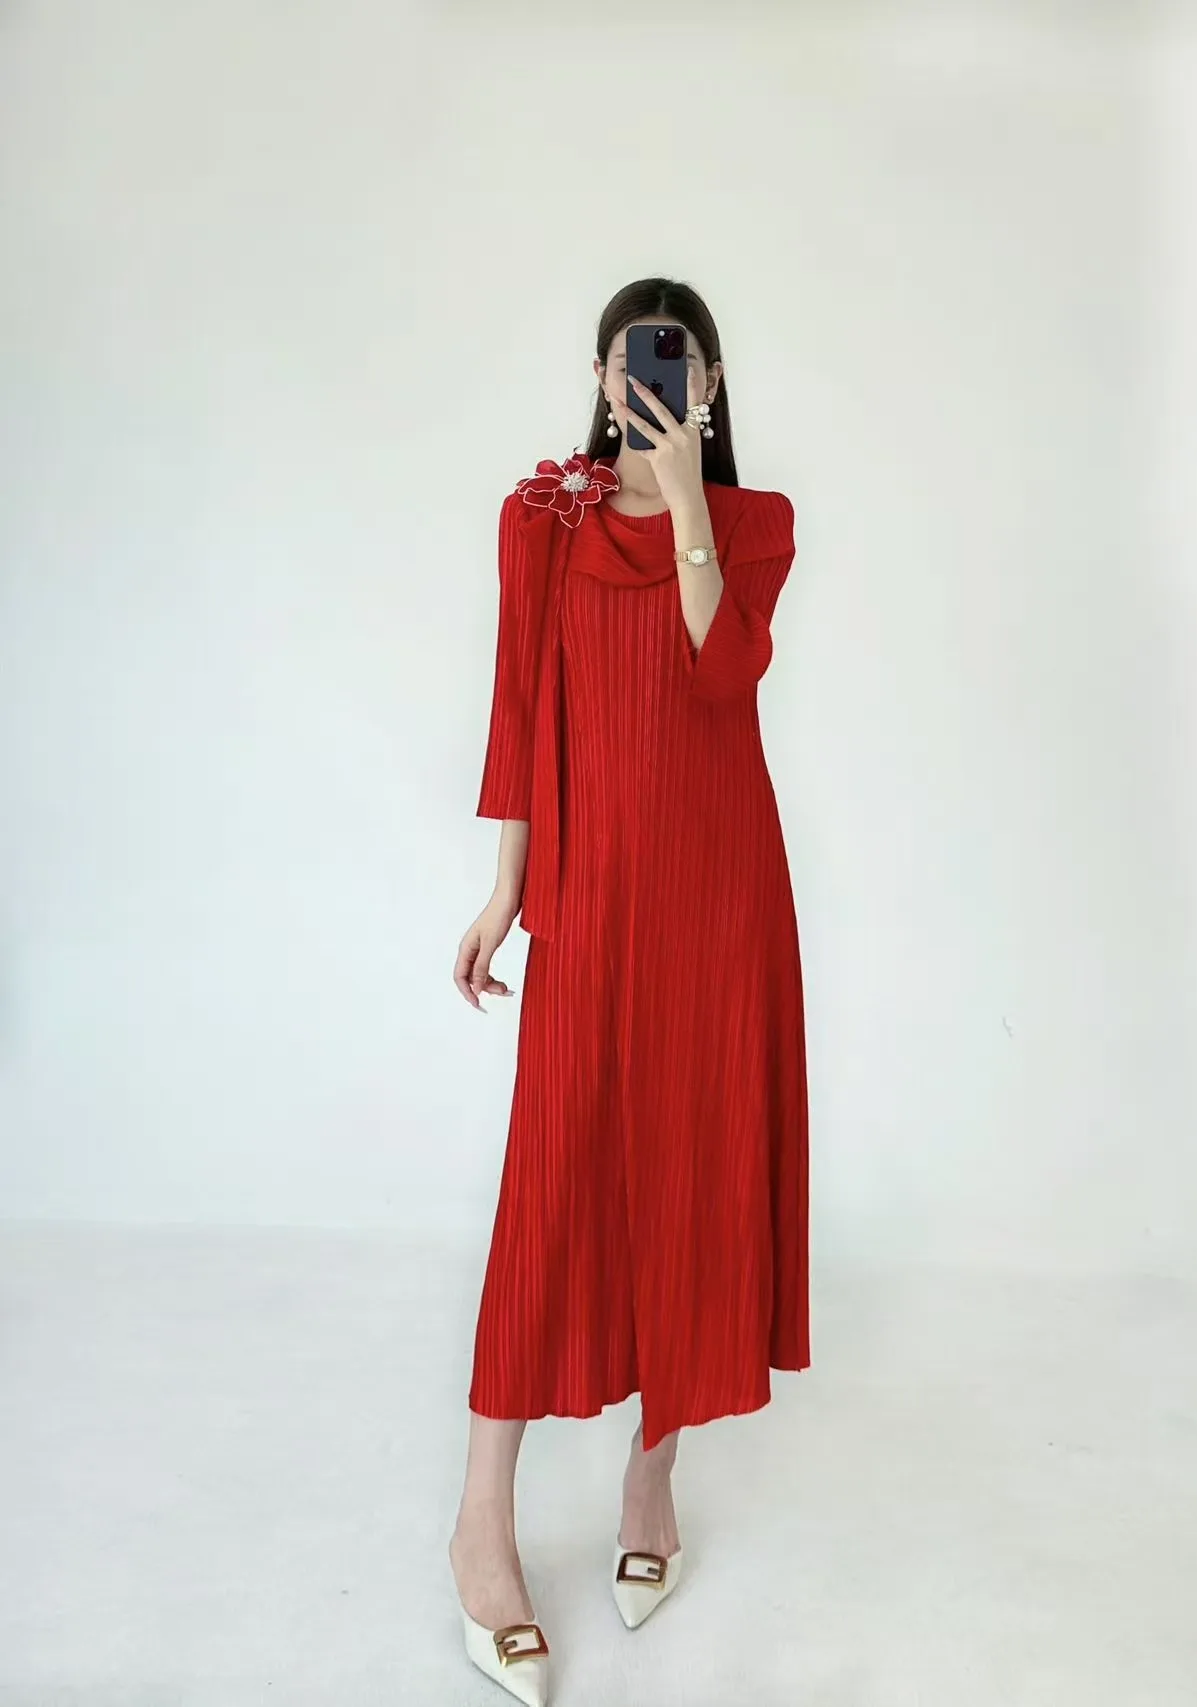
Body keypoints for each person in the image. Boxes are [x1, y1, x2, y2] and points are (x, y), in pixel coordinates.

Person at [450, 277, 809, 1704]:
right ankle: (481, 1521)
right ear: (601, 379)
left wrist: (690, 502)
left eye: (675, 359)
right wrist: (506, 890)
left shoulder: (758, 524)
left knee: (689, 1176)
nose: (647, 377)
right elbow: (517, 710)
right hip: (592, 905)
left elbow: (723, 675)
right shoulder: (541, 522)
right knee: (554, 1187)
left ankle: (652, 1478)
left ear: (708, 383)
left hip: (720, 905)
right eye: (627, 359)